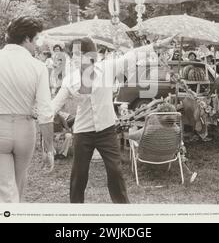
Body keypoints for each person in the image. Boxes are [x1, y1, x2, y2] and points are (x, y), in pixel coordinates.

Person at [53, 34, 178, 203]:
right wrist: (38, 112)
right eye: (72, 55)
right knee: (79, 174)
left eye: (77, 54)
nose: (73, 59)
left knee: (115, 171)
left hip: (107, 131)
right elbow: (55, 104)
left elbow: (132, 56)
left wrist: (156, 45)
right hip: (83, 132)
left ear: (90, 55)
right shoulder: (70, 80)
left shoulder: (107, 68)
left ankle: (122, 211)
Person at [0, 16, 55, 203]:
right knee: (17, 185)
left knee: (4, 190)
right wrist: (49, 149)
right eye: (36, 40)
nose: (37, 45)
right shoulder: (38, 67)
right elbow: (45, 112)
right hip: (25, 129)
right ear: (26, 39)